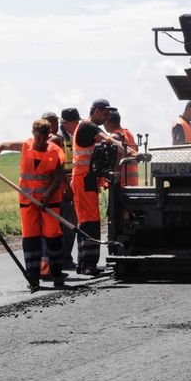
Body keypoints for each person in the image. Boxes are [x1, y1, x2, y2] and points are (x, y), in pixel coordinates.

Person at [0, 119, 66, 289]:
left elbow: (57, 179)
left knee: (52, 236)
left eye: (44, 138)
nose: (41, 141)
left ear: (48, 135)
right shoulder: (25, 146)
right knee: (30, 238)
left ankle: (57, 275)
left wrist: (47, 196)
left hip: (49, 202)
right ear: (33, 133)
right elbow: (2, 145)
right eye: (38, 137)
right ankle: (33, 279)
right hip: (28, 200)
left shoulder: (55, 152)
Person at [70, 99, 124, 276]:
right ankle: (88, 265)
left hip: (86, 178)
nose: (107, 117)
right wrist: (128, 151)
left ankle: (84, 263)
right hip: (84, 178)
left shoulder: (85, 126)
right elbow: (108, 141)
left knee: (88, 221)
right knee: (90, 222)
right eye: (106, 113)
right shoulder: (88, 126)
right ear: (98, 111)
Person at [54, 107, 81, 273]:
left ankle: (65, 258)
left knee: (70, 224)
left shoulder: (71, 136)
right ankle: (63, 259)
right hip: (64, 188)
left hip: (72, 186)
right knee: (67, 224)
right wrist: (66, 187)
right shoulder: (58, 139)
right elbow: (59, 166)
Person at [105, 108, 140, 186]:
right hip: (132, 182)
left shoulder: (114, 137)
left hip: (122, 183)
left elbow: (111, 162)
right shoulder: (128, 133)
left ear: (108, 121)